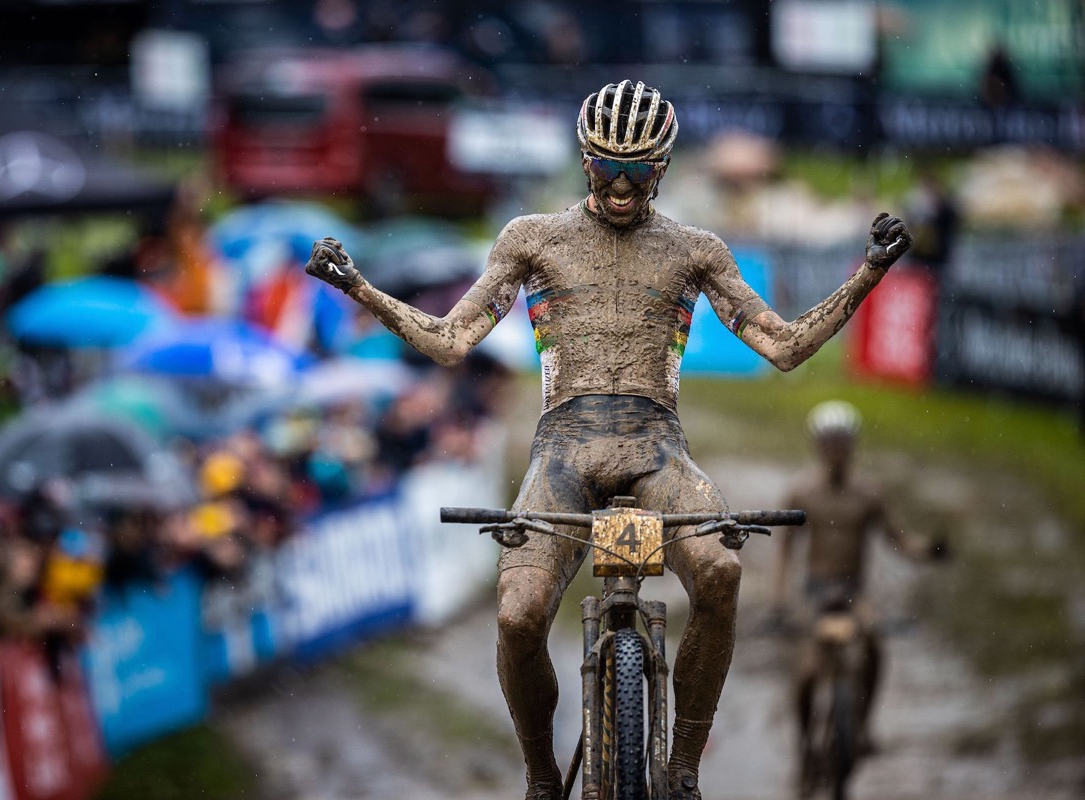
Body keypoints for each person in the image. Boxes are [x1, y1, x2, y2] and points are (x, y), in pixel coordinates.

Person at [305, 80, 913, 800]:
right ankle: (539, 776)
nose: (622, 186)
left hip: (659, 447)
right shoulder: (531, 238)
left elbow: (781, 347)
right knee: (517, 614)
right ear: (583, 160)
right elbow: (451, 339)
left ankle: (684, 767)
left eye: (640, 170)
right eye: (606, 168)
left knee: (720, 575)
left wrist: (869, 272)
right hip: (563, 445)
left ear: (664, 167)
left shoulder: (696, 250)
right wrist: (359, 288)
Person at [773, 400, 944, 761]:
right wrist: (780, 599)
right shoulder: (801, 493)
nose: (835, 450)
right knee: (806, 674)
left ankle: (864, 726)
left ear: (853, 444)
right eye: (828, 442)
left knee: (875, 648)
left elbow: (897, 538)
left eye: (842, 441)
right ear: (817, 445)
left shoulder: (870, 493)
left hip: (854, 592)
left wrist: (927, 550)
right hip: (815, 593)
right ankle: (805, 745)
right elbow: (785, 552)